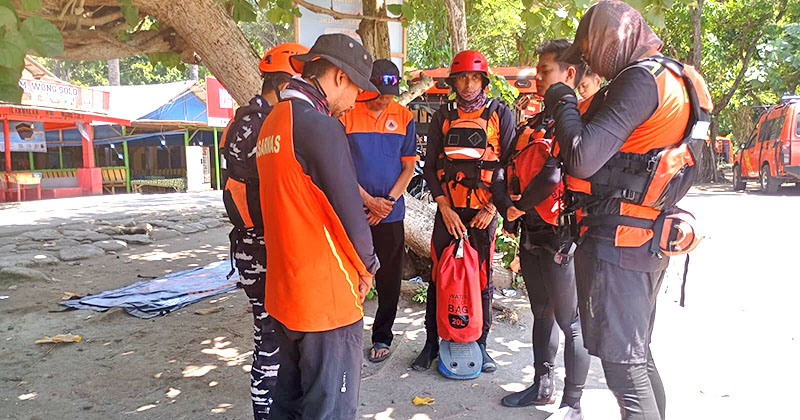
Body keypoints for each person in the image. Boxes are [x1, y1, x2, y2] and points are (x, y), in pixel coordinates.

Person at [546, 1, 712, 419]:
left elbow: (582, 158)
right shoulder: (670, 75)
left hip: (621, 242)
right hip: (641, 238)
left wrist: (564, 101)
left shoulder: (640, 80)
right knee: (636, 354)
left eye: (589, 53)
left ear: (612, 40)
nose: (588, 64)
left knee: (624, 367)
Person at [255, 34, 380, 420]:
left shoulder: (272, 123)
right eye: (357, 88)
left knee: (289, 405)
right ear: (339, 76)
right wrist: (368, 267)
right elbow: (348, 212)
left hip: (285, 293)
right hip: (326, 300)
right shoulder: (319, 127)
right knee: (331, 410)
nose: (356, 99)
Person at [495, 40, 590, 420]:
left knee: (571, 322)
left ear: (569, 74)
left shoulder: (580, 124)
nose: (537, 78)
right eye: (537, 72)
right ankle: (542, 384)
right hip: (531, 233)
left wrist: (517, 206)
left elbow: (553, 174)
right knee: (541, 312)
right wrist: (508, 207)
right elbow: (503, 166)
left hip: (562, 237)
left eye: (545, 71)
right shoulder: (533, 123)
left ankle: (573, 403)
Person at [219, 42, 308, 420]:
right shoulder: (259, 124)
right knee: (271, 334)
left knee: (276, 333)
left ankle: (277, 406)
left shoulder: (254, 119)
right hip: (260, 247)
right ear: (285, 82)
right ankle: (266, 411)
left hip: (259, 243)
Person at [414, 49, 516, 373]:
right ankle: (431, 344)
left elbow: (510, 168)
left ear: (483, 80)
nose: (468, 84)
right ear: (454, 82)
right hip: (449, 212)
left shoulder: (501, 113)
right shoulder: (443, 117)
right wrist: (444, 206)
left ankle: (481, 346)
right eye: (462, 77)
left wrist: (493, 208)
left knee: (482, 280)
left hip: (483, 215)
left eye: (474, 77)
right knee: (437, 277)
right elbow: (430, 168)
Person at [339, 59, 418, 363]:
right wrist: (366, 201)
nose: (385, 98)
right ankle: (347, 334)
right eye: (380, 92)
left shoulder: (404, 116)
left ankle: (382, 335)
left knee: (389, 277)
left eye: (390, 92)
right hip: (353, 210)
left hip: (391, 213)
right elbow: (341, 166)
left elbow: (409, 166)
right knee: (349, 274)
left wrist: (385, 204)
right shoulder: (346, 112)